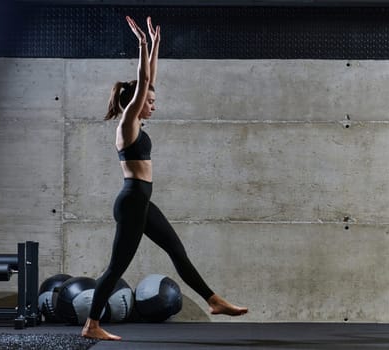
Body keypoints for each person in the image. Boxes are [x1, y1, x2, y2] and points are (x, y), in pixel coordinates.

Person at [81, 16, 248, 341]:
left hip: (141, 201)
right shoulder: (127, 124)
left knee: (176, 250)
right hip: (131, 202)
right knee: (116, 268)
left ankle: (213, 300)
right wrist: (142, 45)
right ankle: (91, 325)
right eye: (150, 102)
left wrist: (157, 45)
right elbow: (143, 81)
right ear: (136, 102)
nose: (154, 106)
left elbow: (149, 80)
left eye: (155, 102)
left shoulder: (138, 124)